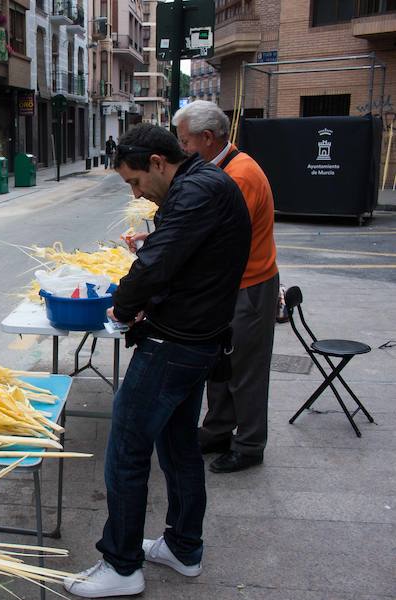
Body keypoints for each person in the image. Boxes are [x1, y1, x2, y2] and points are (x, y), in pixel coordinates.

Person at [64, 124, 251, 598]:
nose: (137, 194)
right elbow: (190, 256)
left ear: (157, 163)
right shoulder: (202, 184)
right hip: (198, 337)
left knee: (126, 450)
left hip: (176, 345)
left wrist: (122, 308)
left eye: (134, 182)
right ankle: (183, 547)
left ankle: (122, 565)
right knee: (178, 444)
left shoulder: (195, 191)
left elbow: (158, 264)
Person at [173, 100, 279, 473]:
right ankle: (218, 429)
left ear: (207, 138)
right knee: (219, 361)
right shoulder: (222, 169)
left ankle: (249, 444)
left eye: (185, 141)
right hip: (226, 286)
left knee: (245, 367)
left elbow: (218, 237)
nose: (181, 149)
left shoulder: (240, 176)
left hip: (249, 285)